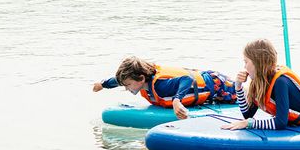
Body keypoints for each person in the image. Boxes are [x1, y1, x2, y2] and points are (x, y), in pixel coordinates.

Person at [92, 56, 237, 119]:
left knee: (240, 95)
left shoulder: (161, 86)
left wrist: (176, 101)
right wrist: (102, 84)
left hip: (218, 85)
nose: (126, 88)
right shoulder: (142, 81)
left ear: (141, 78)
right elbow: (117, 81)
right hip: (209, 82)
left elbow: (187, 79)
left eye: (128, 85)